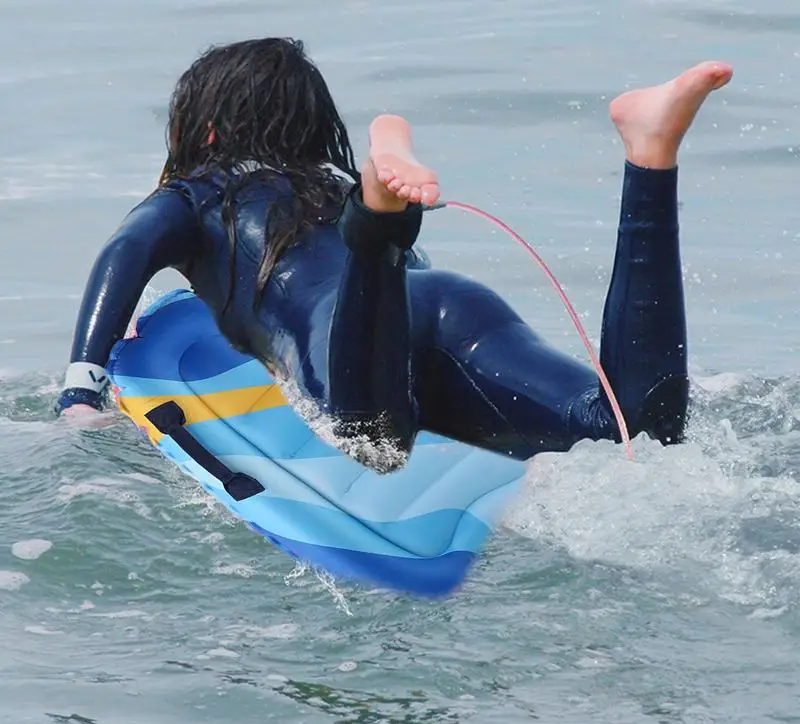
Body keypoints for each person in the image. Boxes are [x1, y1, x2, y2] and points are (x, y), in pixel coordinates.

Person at [55, 37, 733, 471]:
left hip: (354, 322)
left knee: (371, 443)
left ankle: (380, 220)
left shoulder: (198, 195)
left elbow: (125, 252)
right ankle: (651, 151)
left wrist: (80, 393)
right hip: (451, 306)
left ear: (204, 131)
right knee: (634, 437)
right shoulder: (327, 185)